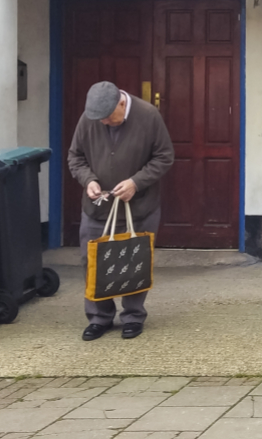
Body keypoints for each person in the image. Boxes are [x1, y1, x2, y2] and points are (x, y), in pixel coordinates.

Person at [68, 81, 174, 341]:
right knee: (92, 262)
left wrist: (136, 183)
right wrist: (88, 180)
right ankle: (99, 317)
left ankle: (133, 316)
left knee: (134, 261)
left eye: (108, 117)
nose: (103, 122)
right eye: (99, 118)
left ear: (122, 103)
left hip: (139, 207)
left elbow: (164, 156)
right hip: (97, 207)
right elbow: (75, 157)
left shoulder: (148, 115)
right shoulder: (90, 117)